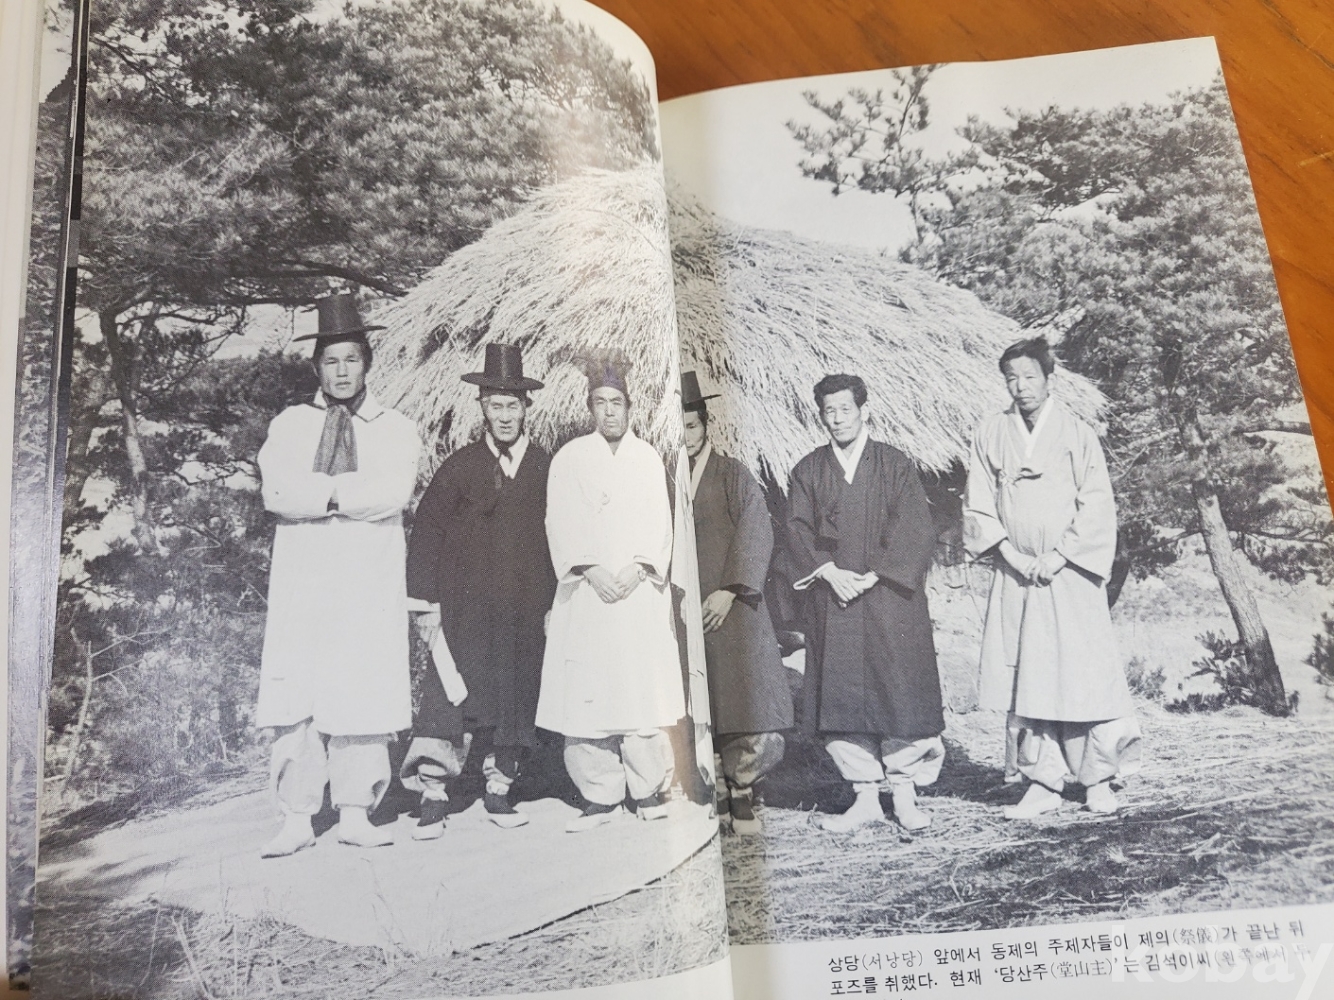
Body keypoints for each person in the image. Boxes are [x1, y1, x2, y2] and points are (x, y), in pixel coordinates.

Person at [255, 292, 422, 857]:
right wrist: (345, 496)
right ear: (316, 367)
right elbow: (278, 494)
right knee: (297, 695)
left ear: (367, 363)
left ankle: (355, 812)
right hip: (303, 582)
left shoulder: (395, 428)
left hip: (365, 581)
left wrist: (320, 496)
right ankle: (297, 817)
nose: (342, 371)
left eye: (352, 359)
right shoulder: (289, 426)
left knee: (362, 686)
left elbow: (392, 493)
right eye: (331, 361)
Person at [963, 337, 1141, 819]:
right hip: (1017, 574)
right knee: (1030, 677)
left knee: (1081, 673)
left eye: (1029, 377)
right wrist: (1011, 555)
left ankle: (1097, 779)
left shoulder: (1078, 433)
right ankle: (1042, 782)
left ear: (1048, 379)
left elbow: (1097, 503)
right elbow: (978, 504)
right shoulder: (990, 432)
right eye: (1012, 379)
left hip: (1070, 574)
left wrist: (1061, 556)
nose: (1021, 387)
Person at [400, 344, 556, 838]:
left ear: (526, 408)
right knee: (450, 695)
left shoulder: (544, 467)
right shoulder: (460, 466)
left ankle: (499, 787)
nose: (504, 416)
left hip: (523, 608)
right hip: (464, 610)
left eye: (513, 405)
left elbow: (562, 536)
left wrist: (555, 602)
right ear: (482, 408)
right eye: (495, 405)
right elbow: (427, 533)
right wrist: (425, 603)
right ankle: (432, 792)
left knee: (515, 694)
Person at [788, 373, 945, 833]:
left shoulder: (894, 465)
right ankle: (865, 798)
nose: (837, 419)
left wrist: (875, 574)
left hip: (889, 599)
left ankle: (905, 794)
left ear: (864, 411)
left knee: (898, 690)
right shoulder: (808, 470)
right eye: (829, 411)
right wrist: (829, 572)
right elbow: (795, 529)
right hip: (833, 598)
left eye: (845, 409)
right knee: (842, 696)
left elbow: (915, 527)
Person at [536, 351, 686, 832]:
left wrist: (641, 568)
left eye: (616, 402)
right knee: (589, 692)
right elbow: (558, 521)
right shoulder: (569, 459)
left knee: (638, 689)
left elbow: (661, 524)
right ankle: (598, 795)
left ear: (629, 406)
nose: (608, 412)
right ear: (590, 408)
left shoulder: (647, 459)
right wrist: (589, 567)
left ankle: (648, 789)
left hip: (637, 593)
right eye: (599, 403)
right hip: (588, 591)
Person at [681, 371, 793, 835]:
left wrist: (730, 589)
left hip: (733, 606)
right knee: (700, 699)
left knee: (743, 702)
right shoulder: (664, 477)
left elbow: (755, 529)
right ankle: (715, 788)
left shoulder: (733, 474)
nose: (685, 436)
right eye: (677, 428)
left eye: (691, 425)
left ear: (706, 424)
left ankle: (743, 788)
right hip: (686, 607)